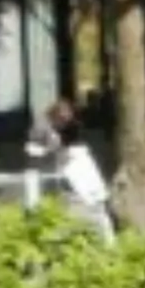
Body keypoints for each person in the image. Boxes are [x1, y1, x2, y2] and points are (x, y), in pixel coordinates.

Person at [35, 95, 117, 234]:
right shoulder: (71, 130)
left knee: (91, 204)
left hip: (76, 168)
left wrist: (47, 148)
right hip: (78, 168)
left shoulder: (68, 133)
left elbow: (59, 148)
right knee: (95, 205)